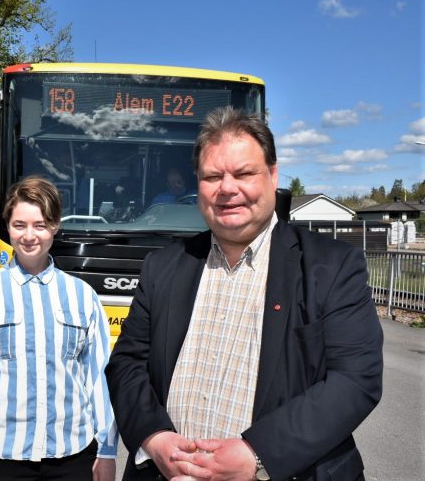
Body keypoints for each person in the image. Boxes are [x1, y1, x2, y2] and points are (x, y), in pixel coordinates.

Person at [105, 107, 383, 481]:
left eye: (244, 173)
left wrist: (258, 454)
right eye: (212, 176)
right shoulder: (163, 266)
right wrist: (154, 439)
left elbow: (355, 380)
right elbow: (127, 365)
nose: (227, 188)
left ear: (272, 175)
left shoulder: (332, 266)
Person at [0, 176, 118, 481]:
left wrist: (106, 450)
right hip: (0, 457)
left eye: (39, 225)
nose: (29, 235)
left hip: (72, 457)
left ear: (55, 226)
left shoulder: (83, 296)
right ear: (7, 227)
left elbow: (98, 378)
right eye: (19, 225)